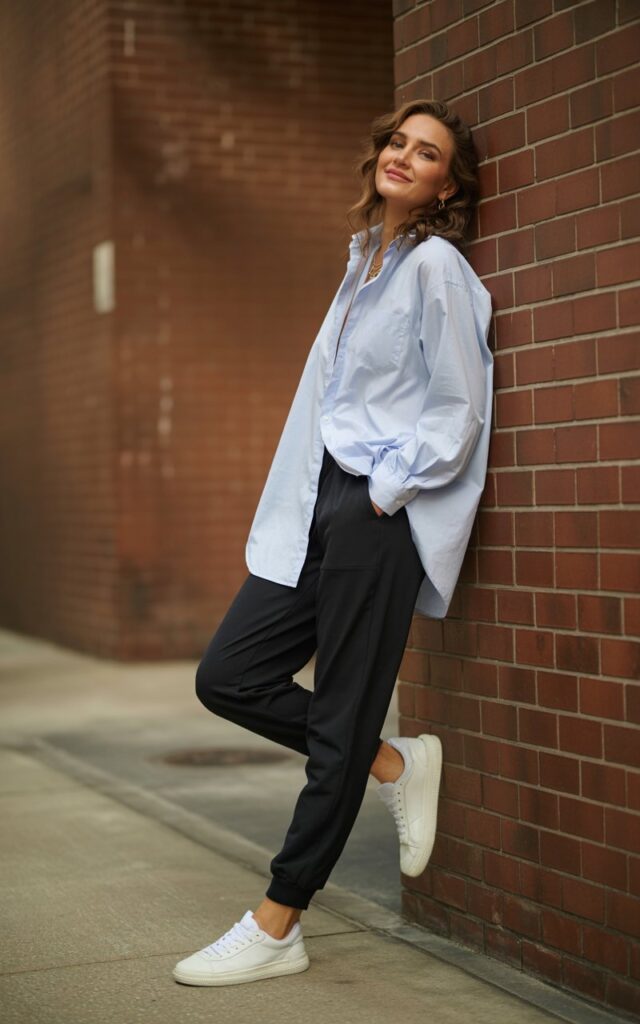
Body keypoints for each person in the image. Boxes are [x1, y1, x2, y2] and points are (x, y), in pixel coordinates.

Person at [173, 98, 493, 987]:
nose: (403, 155)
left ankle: (278, 921)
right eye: (398, 141)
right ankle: (392, 759)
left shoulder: (435, 268)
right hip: (318, 501)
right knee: (228, 675)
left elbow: (459, 406)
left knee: (342, 710)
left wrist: (386, 494)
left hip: (379, 511)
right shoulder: (364, 259)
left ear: (446, 186)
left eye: (426, 153)